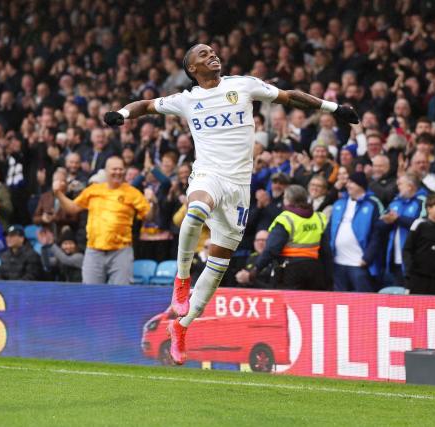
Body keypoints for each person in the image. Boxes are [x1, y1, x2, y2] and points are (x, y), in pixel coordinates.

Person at [103, 43, 359, 364]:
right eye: (202, 54)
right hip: (209, 175)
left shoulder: (243, 85)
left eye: (212, 51)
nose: (212, 55)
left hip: (239, 187)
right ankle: (182, 283)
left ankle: (181, 327)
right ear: (192, 69)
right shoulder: (186, 100)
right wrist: (122, 114)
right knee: (195, 211)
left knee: (218, 265)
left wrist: (334, 109)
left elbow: (289, 96)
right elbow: (145, 104)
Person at [53, 156, 152, 285]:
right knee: (91, 293)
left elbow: (148, 216)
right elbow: (72, 208)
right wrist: (58, 193)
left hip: (121, 251)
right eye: (114, 169)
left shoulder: (133, 193)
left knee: (121, 293)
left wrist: (151, 202)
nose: (118, 172)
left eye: (121, 169)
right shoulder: (93, 190)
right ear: (106, 171)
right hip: (94, 250)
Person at [240, 185, 330, 291]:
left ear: (287, 200)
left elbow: (271, 249)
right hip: (315, 269)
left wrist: (255, 270)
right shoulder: (319, 217)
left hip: (291, 271)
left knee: (288, 306)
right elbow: (326, 250)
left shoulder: (285, 219)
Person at [328, 172, 382, 292]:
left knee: (363, 302)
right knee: (340, 302)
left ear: (360, 185)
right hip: (338, 261)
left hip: (358, 263)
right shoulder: (339, 203)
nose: (347, 185)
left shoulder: (372, 204)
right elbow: (329, 230)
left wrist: (367, 258)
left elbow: (377, 235)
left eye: (351, 182)